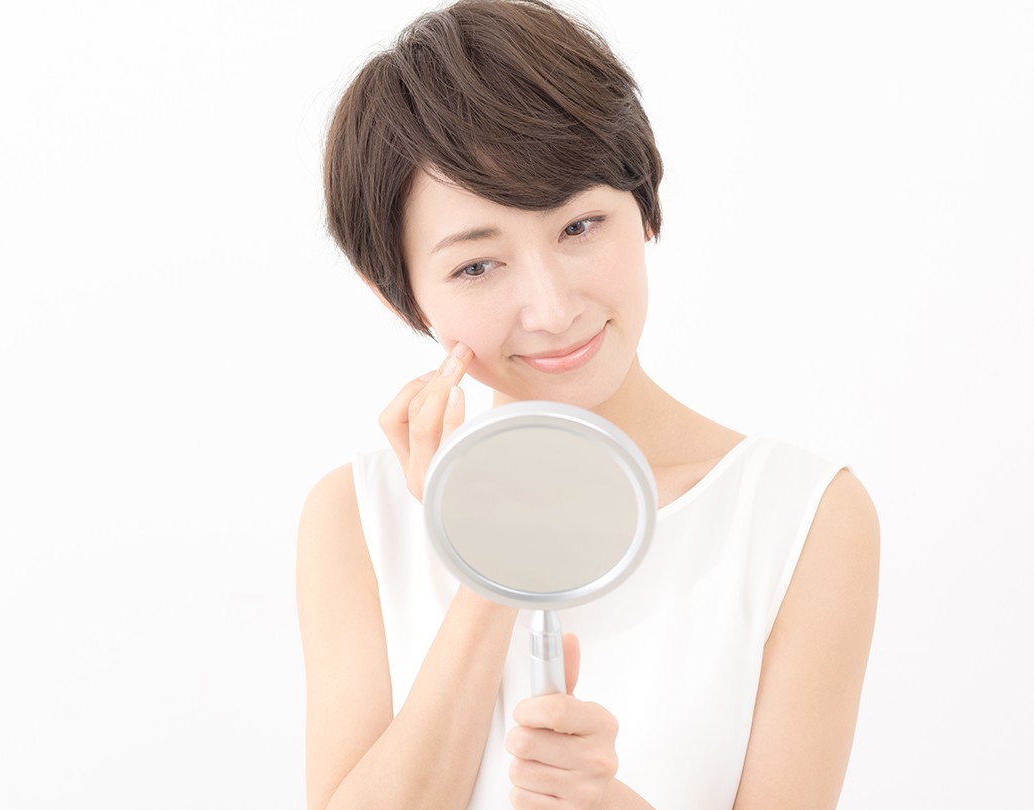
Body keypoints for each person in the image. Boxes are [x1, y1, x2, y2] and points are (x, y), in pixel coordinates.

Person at [296, 0, 879, 807]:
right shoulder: (358, 518)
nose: (552, 308)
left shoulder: (800, 516)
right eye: (476, 267)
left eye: (579, 226)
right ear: (402, 296)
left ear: (644, 205)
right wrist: (491, 553)